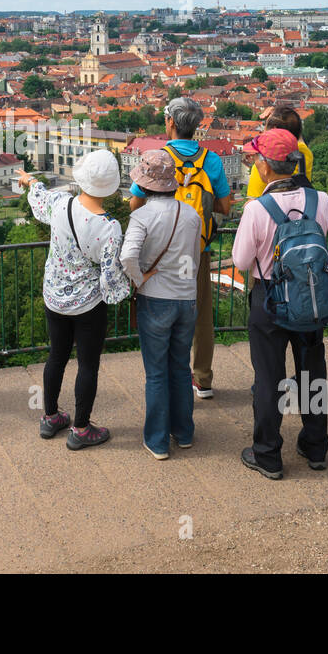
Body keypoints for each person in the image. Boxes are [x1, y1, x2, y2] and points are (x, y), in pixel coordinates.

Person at [231, 129, 328, 479]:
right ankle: (315, 445)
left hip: (270, 298)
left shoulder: (257, 208)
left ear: (264, 165)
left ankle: (268, 454)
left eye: (256, 158)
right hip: (312, 297)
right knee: (312, 372)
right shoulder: (322, 199)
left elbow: (241, 261)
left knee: (268, 379)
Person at [16, 151, 131, 450]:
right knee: (87, 365)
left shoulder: (60, 204)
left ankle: (50, 416)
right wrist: (121, 293)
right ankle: (81, 429)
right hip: (88, 305)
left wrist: (30, 180)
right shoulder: (109, 227)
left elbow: (39, 197)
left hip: (54, 296)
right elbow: (110, 274)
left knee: (56, 356)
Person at [127, 97, 232, 401]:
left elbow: (135, 203)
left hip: (159, 253)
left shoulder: (157, 157)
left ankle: (165, 378)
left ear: (170, 122)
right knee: (200, 316)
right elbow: (224, 206)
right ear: (197, 125)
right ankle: (202, 378)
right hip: (196, 250)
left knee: (159, 312)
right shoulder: (210, 160)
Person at [122, 149, 202, 460]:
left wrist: (139, 278)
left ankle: (157, 441)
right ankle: (183, 433)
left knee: (156, 373)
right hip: (186, 297)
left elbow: (127, 256)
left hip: (156, 299)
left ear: (145, 185)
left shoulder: (141, 216)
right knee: (181, 368)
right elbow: (192, 260)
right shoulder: (191, 214)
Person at [246, 106, 314, 196]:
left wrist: (275, 117)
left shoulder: (265, 164)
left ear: (274, 131)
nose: (263, 132)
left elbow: (252, 202)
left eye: (264, 126)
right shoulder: (304, 153)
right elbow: (297, 134)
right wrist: (279, 116)